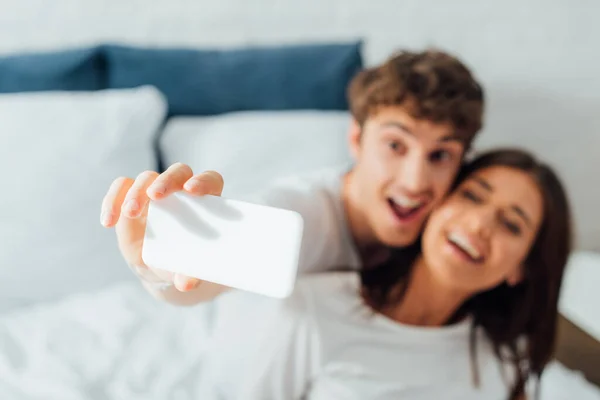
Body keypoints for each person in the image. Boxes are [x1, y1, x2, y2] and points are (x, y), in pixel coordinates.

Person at [100, 49, 485, 304]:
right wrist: (161, 268)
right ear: (356, 138)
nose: (416, 181)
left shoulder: (455, 224)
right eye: (395, 146)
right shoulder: (304, 214)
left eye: (440, 155)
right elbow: (204, 280)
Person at [202, 149, 572, 400]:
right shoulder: (311, 310)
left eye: (510, 224)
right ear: (437, 203)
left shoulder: (502, 358)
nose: (478, 224)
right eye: (472, 196)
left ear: (521, 267)